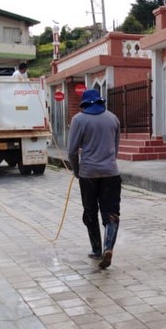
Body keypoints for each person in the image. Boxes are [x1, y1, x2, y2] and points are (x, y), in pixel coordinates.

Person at [68, 89, 121, 269]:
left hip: (88, 174)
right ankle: (108, 247)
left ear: (84, 105)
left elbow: (72, 151)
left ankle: (97, 249)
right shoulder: (113, 119)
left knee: (90, 213)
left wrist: (77, 171)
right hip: (111, 173)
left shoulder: (78, 120)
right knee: (111, 213)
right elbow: (115, 148)